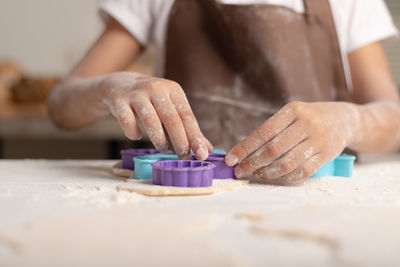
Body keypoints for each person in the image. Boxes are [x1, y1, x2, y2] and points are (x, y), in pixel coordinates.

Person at [48, 0, 400, 183]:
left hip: (310, 199)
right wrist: (112, 84)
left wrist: (352, 119)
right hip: (180, 209)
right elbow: (62, 106)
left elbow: (393, 119)